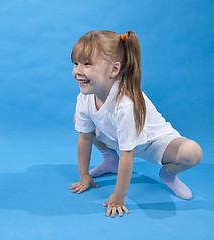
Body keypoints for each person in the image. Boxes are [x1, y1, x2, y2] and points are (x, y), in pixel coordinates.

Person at [69, 30, 202, 218]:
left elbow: (128, 153)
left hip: (153, 143)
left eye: (87, 64)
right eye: (76, 63)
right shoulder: (85, 97)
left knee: (193, 152)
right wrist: (84, 175)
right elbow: (83, 137)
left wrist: (118, 196)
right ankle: (110, 160)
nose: (78, 71)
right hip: (118, 138)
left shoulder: (125, 105)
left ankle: (168, 175)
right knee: (80, 122)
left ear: (114, 70)